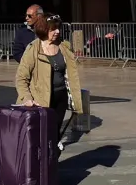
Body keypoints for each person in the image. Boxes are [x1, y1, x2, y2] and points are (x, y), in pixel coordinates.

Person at [15, 14, 84, 146]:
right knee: (41, 136)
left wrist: (75, 100)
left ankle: (53, 157)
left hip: (61, 97)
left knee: (55, 134)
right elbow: (21, 78)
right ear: (44, 29)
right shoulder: (33, 49)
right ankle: (42, 158)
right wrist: (27, 98)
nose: (57, 31)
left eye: (58, 28)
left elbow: (70, 75)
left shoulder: (64, 46)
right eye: (53, 29)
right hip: (40, 100)